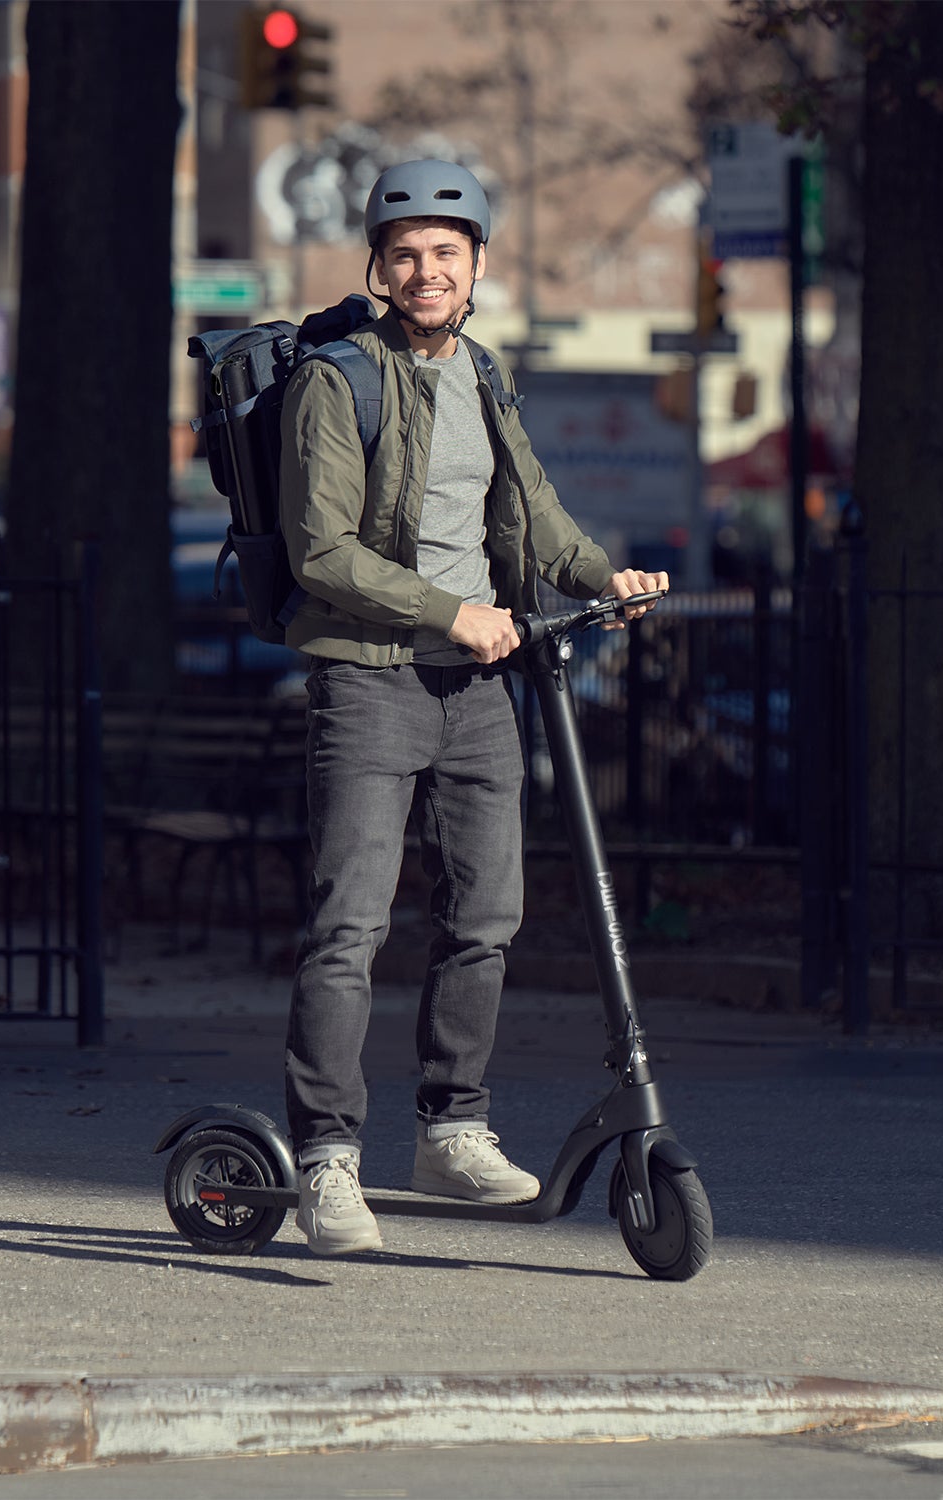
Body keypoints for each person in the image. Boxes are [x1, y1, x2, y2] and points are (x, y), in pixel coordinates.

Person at [279, 158, 667, 1256]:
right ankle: (328, 1158)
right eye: (405, 253)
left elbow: (535, 515)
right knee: (350, 926)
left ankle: (451, 1130)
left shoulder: (487, 377)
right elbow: (322, 552)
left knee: (485, 920)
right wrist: (452, 612)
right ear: (380, 266)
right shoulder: (337, 381)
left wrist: (604, 580)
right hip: (370, 676)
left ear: (477, 264)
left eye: (446, 252)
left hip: (480, 688)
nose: (426, 270)